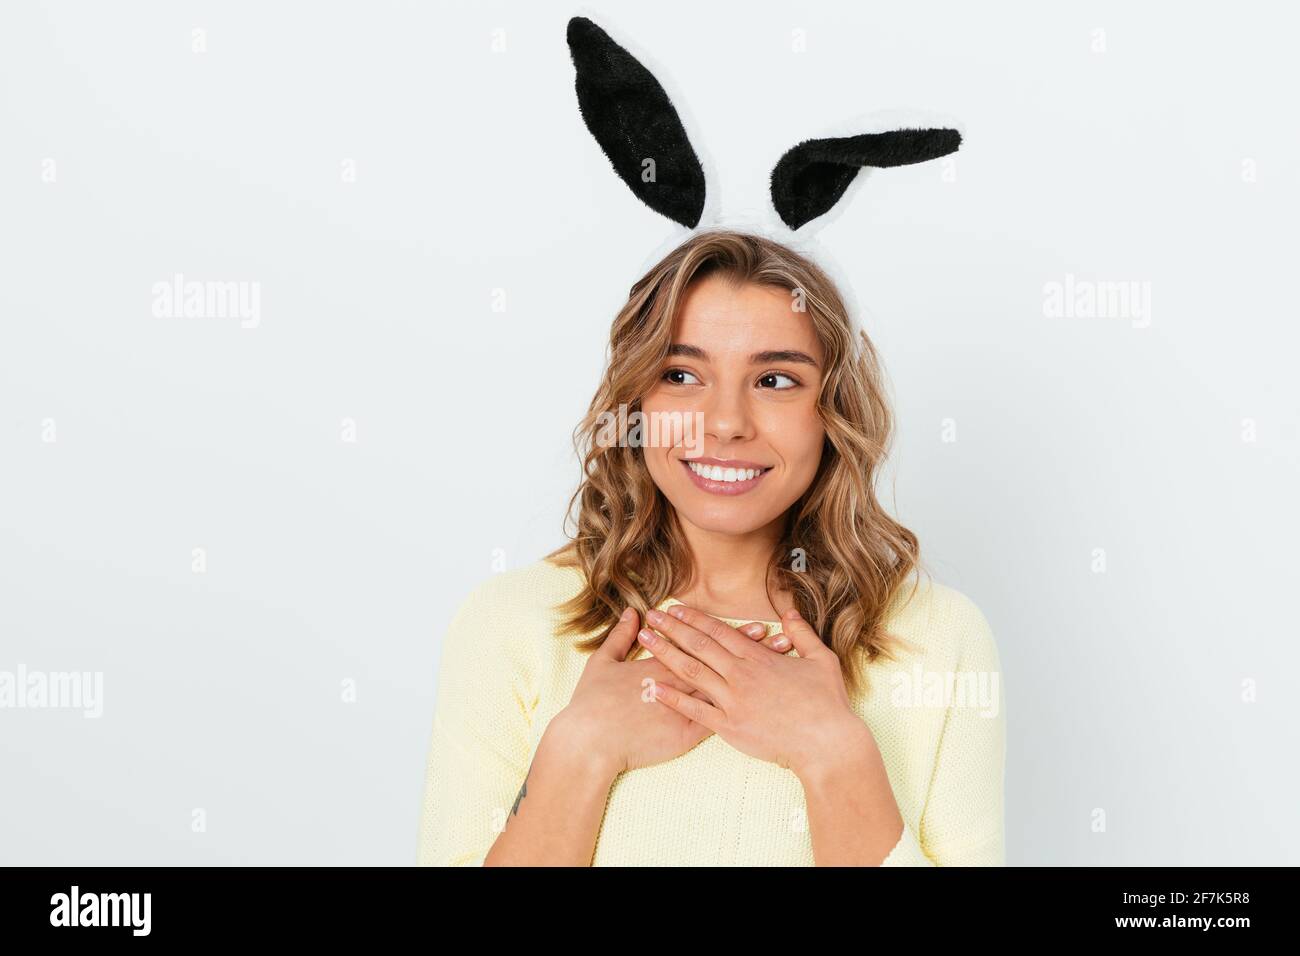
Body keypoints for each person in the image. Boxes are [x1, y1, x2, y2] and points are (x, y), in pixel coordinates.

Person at [418, 229, 1005, 866]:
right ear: (636, 401)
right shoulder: (513, 620)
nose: (725, 422)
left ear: (832, 411)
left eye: (776, 379)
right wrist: (581, 749)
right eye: (681, 374)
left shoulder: (938, 638)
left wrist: (831, 752)